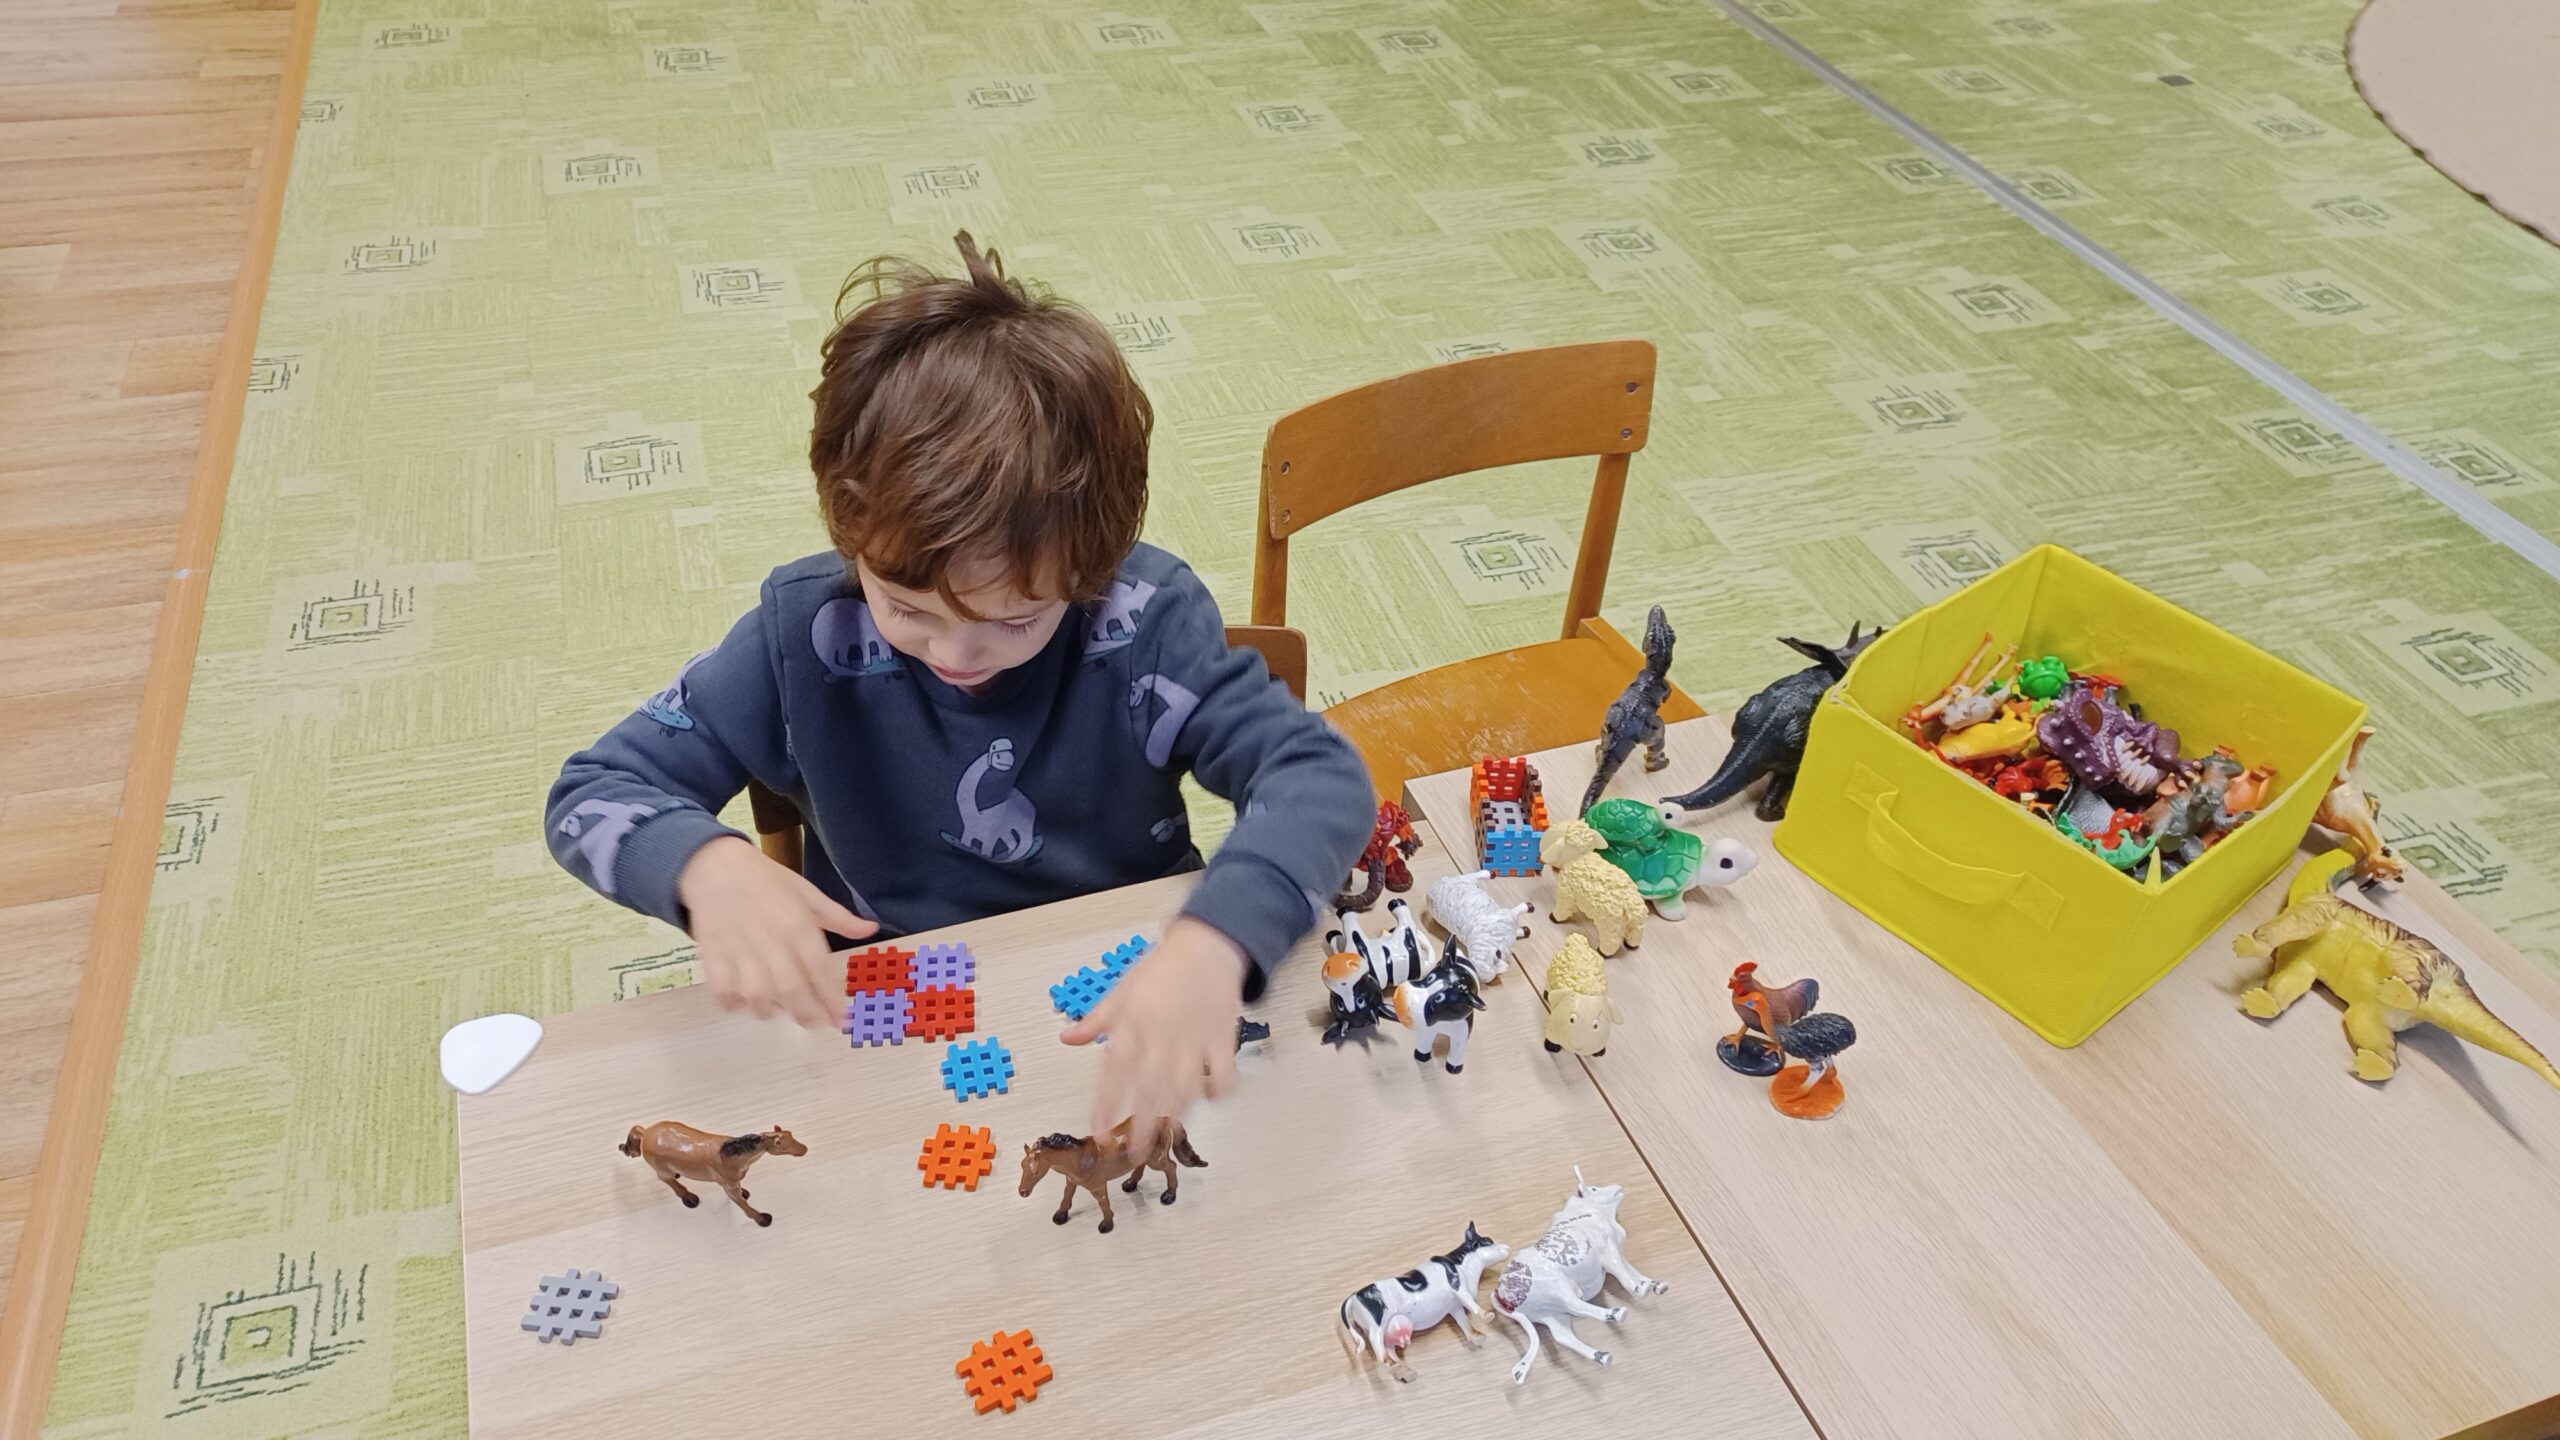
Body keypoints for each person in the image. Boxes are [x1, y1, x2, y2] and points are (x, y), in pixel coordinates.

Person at [546, 231, 1372, 1151]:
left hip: (1131, 977)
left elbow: (1321, 777)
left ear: (1092, 568)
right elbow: (591, 790)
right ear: (850, 535)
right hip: (895, 1002)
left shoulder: (1144, 623)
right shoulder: (800, 637)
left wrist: (1218, 942)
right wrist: (703, 865)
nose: (957, 652)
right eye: (906, 608)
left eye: (1017, 620)